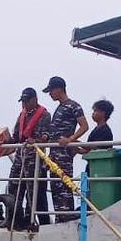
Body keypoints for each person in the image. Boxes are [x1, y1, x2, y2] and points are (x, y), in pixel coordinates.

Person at [43, 76, 88, 222]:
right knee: (55, 187)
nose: (50, 94)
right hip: (54, 154)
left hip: (64, 155)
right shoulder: (60, 107)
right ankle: (59, 218)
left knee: (64, 187)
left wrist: (70, 140)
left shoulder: (73, 106)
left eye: (51, 90)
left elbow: (84, 126)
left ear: (59, 89)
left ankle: (66, 218)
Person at [8, 87, 51, 229]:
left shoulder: (44, 115)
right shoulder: (22, 116)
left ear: (34, 99)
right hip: (20, 158)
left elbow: (46, 136)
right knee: (13, 186)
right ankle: (14, 216)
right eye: (23, 101)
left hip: (34, 159)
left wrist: (36, 140)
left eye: (26, 101)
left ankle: (29, 218)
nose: (24, 104)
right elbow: (16, 137)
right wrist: (3, 142)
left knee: (33, 191)